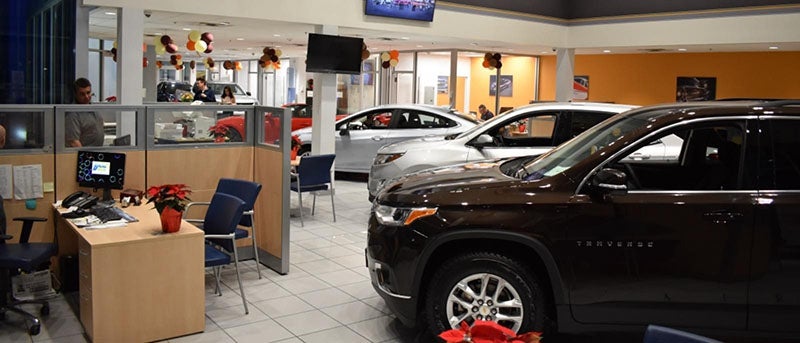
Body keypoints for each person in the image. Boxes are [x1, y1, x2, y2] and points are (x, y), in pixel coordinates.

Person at [65, 78, 104, 147]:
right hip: (84, 155)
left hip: (98, 152)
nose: (86, 97)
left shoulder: (94, 108)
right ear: (75, 94)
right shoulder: (72, 114)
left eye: (88, 93)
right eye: (82, 94)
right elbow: (74, 142)